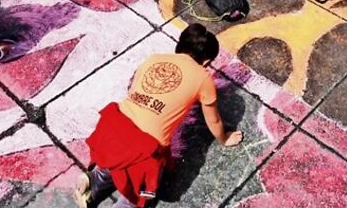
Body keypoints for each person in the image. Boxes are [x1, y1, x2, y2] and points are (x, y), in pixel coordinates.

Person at [74, 23, 242, 208]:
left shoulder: (153, 59)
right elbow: (214, 120)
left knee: (120, 156)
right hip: (143, 147)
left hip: (111, 126)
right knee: (139, 192)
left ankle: (94, 178)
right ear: (206, 62)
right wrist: (225, 138)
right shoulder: (203, 77)